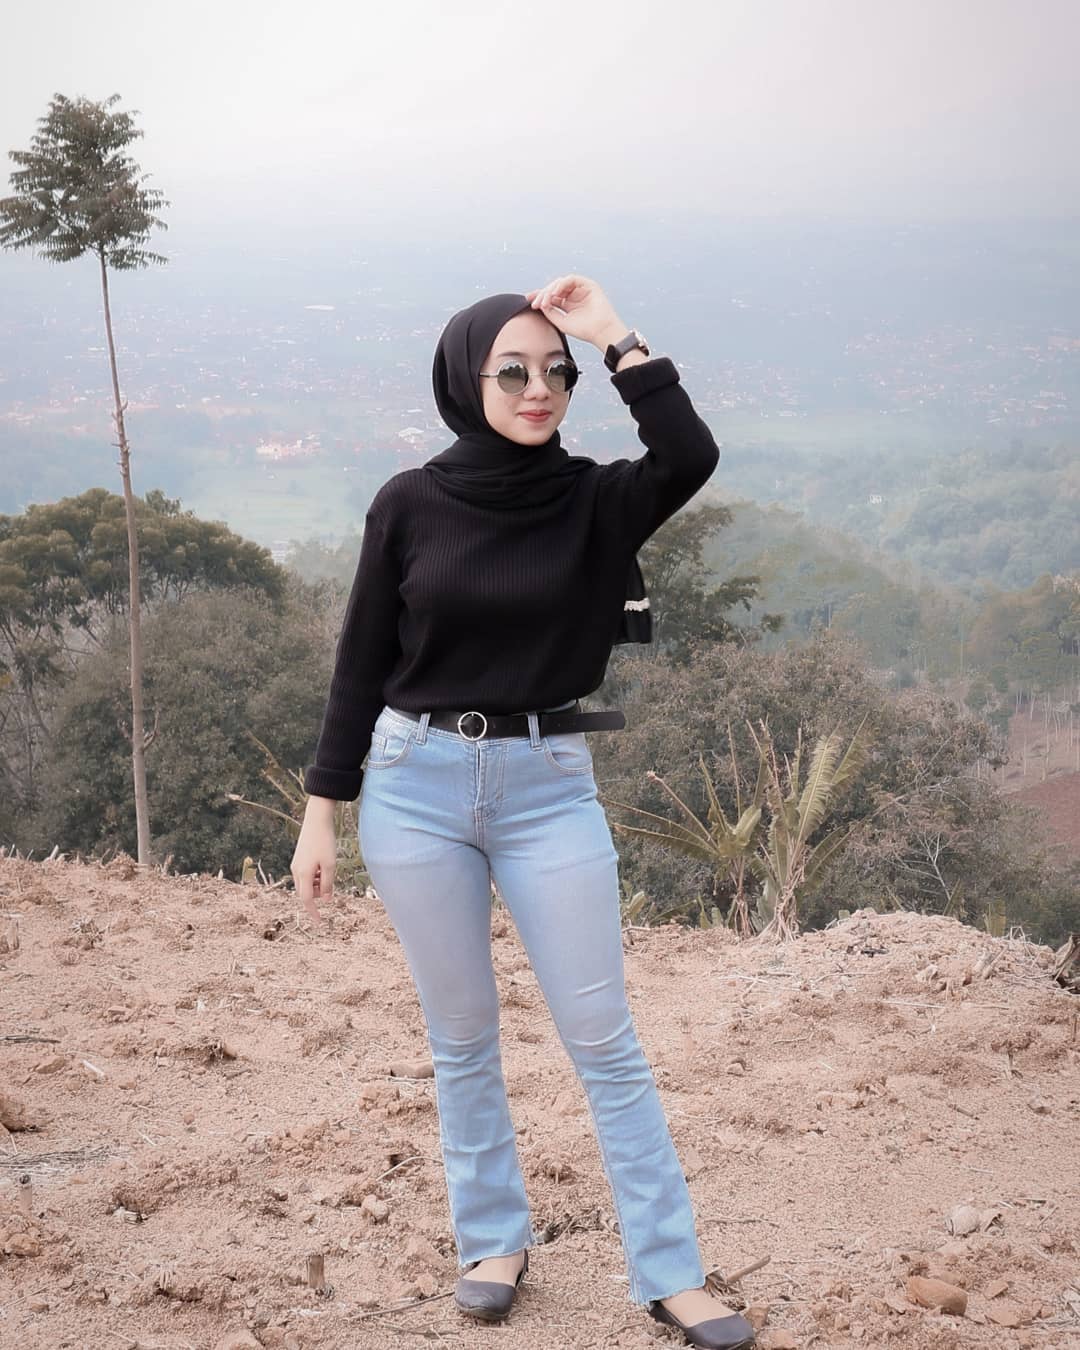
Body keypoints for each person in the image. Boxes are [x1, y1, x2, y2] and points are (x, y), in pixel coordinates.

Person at [290, 275, 757, 1350]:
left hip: (549, 789)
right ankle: (492, 1241)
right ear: (468, 380)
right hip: (414, 784)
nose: (538, 389)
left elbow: (689, 455)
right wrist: (323, 811)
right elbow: (361, 659)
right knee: (462, 1036)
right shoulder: (410, 502)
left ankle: (671, 1272)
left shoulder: (597, 498)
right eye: (512, 371)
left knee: (604, 1039)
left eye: (556, 372)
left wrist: (615, 336)